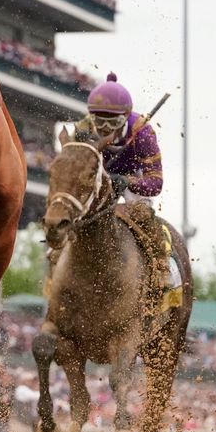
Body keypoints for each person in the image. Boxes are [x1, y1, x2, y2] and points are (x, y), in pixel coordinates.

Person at [82, 73, 174, 292]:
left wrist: (126, 181)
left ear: (124, 117)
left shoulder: (142, 132)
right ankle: (56, 255)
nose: (104, 129)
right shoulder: (84, 129)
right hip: (100, 172)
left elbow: (156, 183)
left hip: (134, 175)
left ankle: (161, 267)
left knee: (141, 212)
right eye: (99, 121)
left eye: (111, 122)